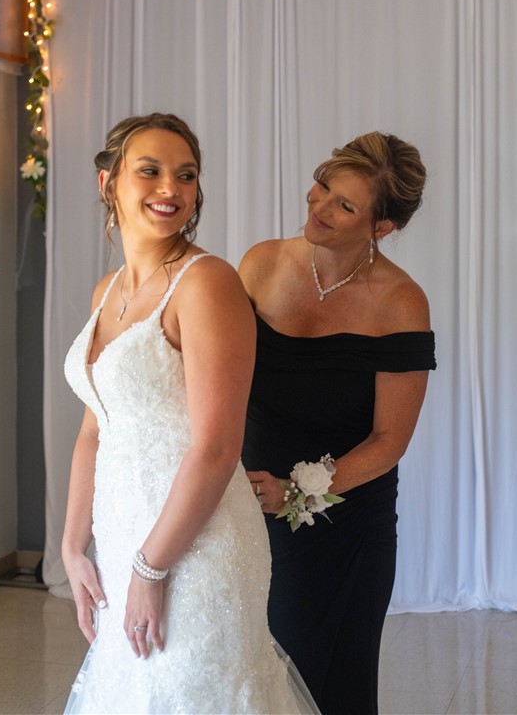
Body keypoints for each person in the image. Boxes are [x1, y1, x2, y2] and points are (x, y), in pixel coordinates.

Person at [62, 113, 317, 715]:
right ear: (108, 183)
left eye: (186, 175)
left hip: (196, 551)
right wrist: (74, 549)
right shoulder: (108, 291)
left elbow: (215, 447)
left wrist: (151, 571)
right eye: (149, 171)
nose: (170, 189)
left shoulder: (207, 284)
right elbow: (94, 429)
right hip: (123, 542)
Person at [241, 131, 436, 715]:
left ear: (381, 227)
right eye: (323, 188)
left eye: (344, 205)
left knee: (330, 686)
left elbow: (389, 441)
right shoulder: (261, 263)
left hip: (345, 525)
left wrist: (295, 493)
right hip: (248, 508)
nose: (319, 207)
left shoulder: (401, 303)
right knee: (251, 679)